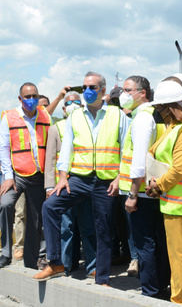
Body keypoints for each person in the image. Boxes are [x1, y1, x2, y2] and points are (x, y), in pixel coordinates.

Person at [34, 71, 129, 286]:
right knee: (50, 206)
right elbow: (66, 149)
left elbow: (126, 149)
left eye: (92, 87)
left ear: (103, 91)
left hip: (106, 180)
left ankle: (102, 277)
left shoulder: (117, 115)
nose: (87, 91)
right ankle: (55, 262)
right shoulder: (75, 116)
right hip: (79, 178)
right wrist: (61, 177)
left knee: (103, 228)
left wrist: (120, 177)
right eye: (84, 87)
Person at [145, 80, 182, 305]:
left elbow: (180, 168)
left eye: (161, 107)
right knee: (175, 254)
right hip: (170, 200)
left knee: (179, 255)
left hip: (181, 202)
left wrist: (158, 185)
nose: (158, 111)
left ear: (171, 107)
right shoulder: (171, 129)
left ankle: (180, 300)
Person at [119, 75, 170, 298]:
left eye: (128, 90)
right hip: (155, 189)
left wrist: (132, 194)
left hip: (140, 192)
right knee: (158, 241)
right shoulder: (156, 115)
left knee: (145, 244)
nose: (124, 95)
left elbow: (139, 159)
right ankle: (160, 286)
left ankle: (150, 291)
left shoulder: (142, 118)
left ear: (143, 93)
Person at [0, 82, 52, 269]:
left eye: (34, 96)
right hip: (16, 175)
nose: (31, 100)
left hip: (38, 175)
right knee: (6, 205)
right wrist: (8, 176)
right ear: (20, 99)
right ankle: (5, 253)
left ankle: (32, 259)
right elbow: (3, 148)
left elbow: (52, 147)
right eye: (27, 97)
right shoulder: (9, 117)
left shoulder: (45, 115)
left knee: (36, 220)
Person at [44, 91, 97, 276]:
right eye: (69, 102)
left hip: (84, 181)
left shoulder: (89, 125)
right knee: (66, 228)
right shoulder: (56, 128)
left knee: (88, 226)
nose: (73, 104)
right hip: (64, 184)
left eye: (76, 101)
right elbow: (50, 160)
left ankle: (93, 266)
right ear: (63, 108)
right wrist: (50, 186)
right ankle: (64, 266)